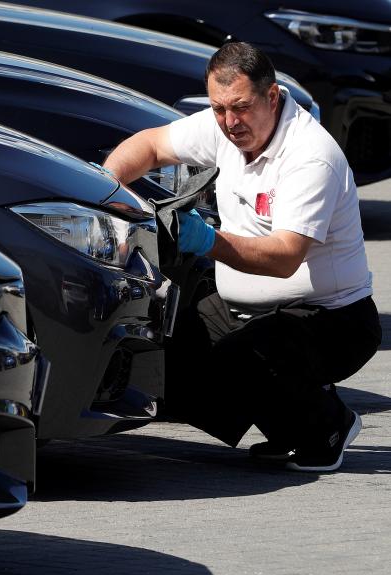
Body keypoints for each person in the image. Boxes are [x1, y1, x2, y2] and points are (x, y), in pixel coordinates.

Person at [102, 41, 380, 472]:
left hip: (333, 318)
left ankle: (328, 427)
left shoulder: (311, 157)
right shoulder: (227, 125)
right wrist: (107, 191)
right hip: (247, 307)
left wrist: (205, 239)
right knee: (166, 352)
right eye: (218, 108)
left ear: (272, 97)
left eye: (240, 107)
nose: (230, 122)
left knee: (246, 356)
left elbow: (285, 258)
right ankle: (286, 423)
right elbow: (150, 144)